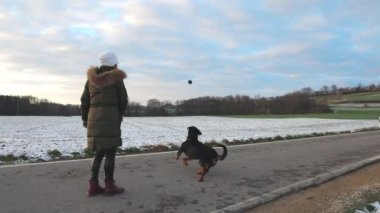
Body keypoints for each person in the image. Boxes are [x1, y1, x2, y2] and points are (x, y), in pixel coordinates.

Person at [80, 51, 128, 197]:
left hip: (93, 120)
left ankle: (93, 186)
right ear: (114, 63)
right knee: (110, 153)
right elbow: (123, 100)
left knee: (98, 153)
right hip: (111, 119)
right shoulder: (116, 78)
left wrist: (85, 119)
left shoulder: (91, 80)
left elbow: (84, 101)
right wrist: (118, 115)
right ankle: (109, 185)